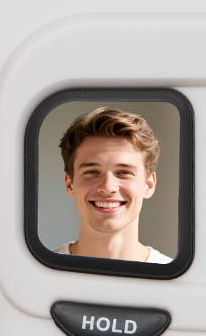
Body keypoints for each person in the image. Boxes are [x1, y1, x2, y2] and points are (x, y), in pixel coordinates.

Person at [55, 108, 172, 264]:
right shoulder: (35, 274)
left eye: (124, 172)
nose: (108, 187)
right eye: (91, 171)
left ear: (149, 185)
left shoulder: (181, 278)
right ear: (70, 184)